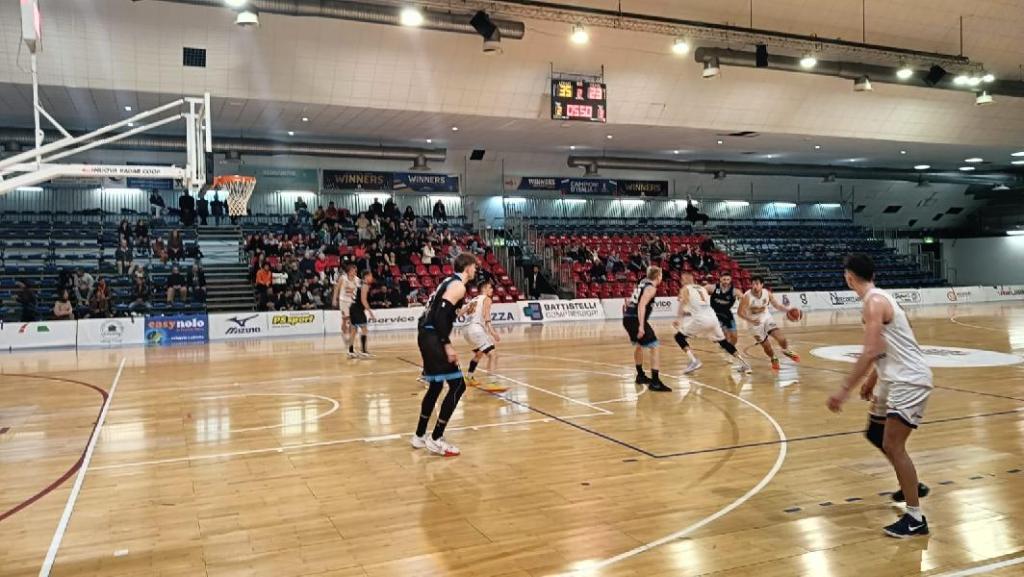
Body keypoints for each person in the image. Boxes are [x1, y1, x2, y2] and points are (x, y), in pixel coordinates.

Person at [827, 254, 933, 538]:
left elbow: (871, 350)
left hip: (908, 379)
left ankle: (915, 518)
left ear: (849, 277)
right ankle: (911, 484)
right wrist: (872, 379)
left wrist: (843, 390)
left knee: (893, 445)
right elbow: (887, 345)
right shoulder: (879, 299)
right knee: (875, 432)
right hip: (892, 377)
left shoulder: (873, 302)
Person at [411, 253, 478, 456]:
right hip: (434, 337)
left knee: (436, 386)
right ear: (467, 267)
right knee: (458, 385)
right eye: (474, 266)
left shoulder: (448, 282)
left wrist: (462, 311)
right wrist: (446, 344)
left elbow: (441, 312)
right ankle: (436, 438)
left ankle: (419, 435)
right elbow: (440, 316)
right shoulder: (459, 286)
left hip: (426, 334)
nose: (476, 270)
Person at [673, 271, 751, 374]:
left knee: (679, 337)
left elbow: (682, 304)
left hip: (701, 320)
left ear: (686, 280)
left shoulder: (685, 289)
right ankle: (745, 364)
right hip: (713, 319)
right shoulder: (701, 288)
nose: (681, 281)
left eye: (682, 279)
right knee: (723, 342)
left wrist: (678, 319)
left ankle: (694, 361)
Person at [622, 266, 671, 392]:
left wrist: (628, 306)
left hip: (628, 318)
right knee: (655, 346)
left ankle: (640, 376)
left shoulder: (642, 283)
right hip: (635, 319)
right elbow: (641, 305)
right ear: (658, 276)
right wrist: (641, 326)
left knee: (639, 345)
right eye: (661, 275)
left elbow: (633, 301)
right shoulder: (651, 288)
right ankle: (655, 382)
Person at [738, 276, 800, 371]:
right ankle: (773, 358)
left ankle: (786, 351)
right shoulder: (747, 296)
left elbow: (777, 305)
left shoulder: (767, 293)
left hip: (766, 318)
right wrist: (751, 320)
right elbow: (740, 313)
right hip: (754, 324)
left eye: (757, 284)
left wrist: (788, 310)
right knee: (767, 346)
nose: (754, 286)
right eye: (753, 284)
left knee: (782, 339)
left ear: (762, 285)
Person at [461, 280, 507, 393]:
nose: (492, 290)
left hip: (466, 330)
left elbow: (460, 312)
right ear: (484, 288)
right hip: (475, 329)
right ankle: (492, 382)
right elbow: (487, 316)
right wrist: (493, 332)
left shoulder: (473, 300)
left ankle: (469, 378)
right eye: (490, 288)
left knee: (479, 353)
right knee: (493, 355)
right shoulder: (487, 299)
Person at [332, 265, 360, 357]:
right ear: (349, 271)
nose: (355, 272)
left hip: (352, 302)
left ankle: (350, 348)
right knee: (345, 319)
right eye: (354, 270)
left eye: (356, 270)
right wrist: (334, 299)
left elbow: (359, 291)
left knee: (353, 323)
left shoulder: (357, 280)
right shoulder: (343, 278)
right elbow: (336, 288)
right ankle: (344, 334)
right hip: (343, 301)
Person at [707, 272, 742, 346]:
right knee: (726, 335)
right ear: (720, 279)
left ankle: (729, 348)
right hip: (715, 315)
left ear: (730, 280)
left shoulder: (735, 291)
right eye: (724, 279)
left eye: (728, 279)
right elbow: (699, 290)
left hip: (727, 314)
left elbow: (745, 299)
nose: (726, 281)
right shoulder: (713, 288)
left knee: (734, 338)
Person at [348, 270, 376, 358]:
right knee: (364, 329)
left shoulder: (359, 283)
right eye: (370, 276)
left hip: (352, 307)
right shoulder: (365, 285)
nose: (372, 278)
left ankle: (350, 351)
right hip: (357, 309)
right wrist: (370, 312)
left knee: (353, 331)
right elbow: (363, 300)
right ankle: (363, 351)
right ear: (366, 276)